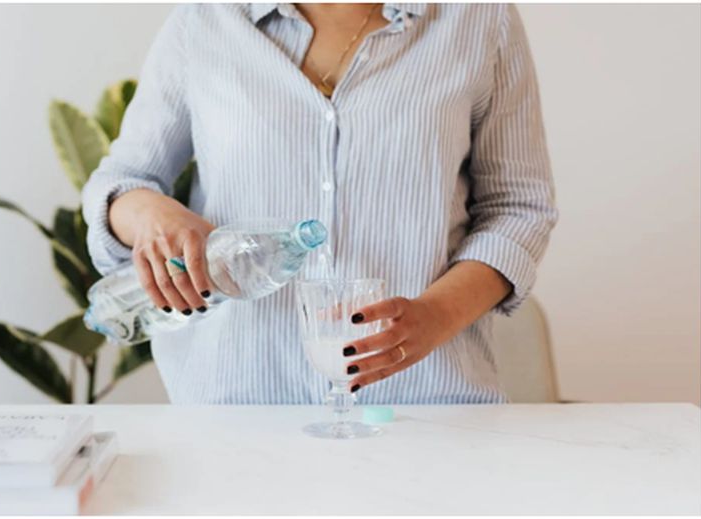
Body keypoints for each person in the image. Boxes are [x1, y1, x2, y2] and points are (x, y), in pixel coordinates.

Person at [82, 3, 558, 404]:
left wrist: (434, 317)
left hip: (425, 407)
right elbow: (122, 182)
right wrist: (151, 213)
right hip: (235, 404)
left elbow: (518, 208)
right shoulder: (205, 20)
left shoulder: (478, 20)